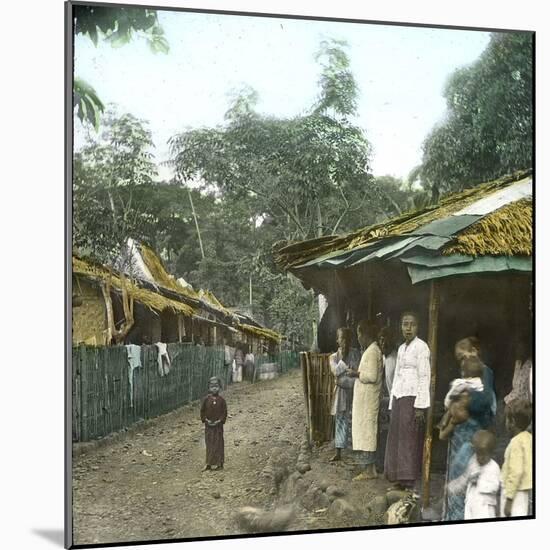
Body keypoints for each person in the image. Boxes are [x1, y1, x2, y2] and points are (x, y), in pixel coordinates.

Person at [444, 337, 496, 520]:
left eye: (463, 356)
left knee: (468, 476)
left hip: (474, 433)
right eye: (459, 359)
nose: (462, 361)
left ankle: (462, 518)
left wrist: (464, 402)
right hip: (460, 432)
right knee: (456, 473)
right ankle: (451, 516)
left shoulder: (485, 372)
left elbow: (485, 401)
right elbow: (452, 400)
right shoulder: (465, 375)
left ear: (474, 350)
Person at [384, 312, 431, 491]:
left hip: (412, 399)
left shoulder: (422, 348)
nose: (408, 328)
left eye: (412, 324)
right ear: (401, 327)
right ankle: (398, 477)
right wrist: (391, 402)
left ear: (417, 327)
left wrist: (420, 406)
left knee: (409, 438)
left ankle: (409, 479)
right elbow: (396, 376)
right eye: (405, 324)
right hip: (399, 396)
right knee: (397, 437)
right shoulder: (401, 348)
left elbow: (424, 377)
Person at [346, 320, 383, 480]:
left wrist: (356, 374)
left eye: (359, 334)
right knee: (366, 431)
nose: (358, 338)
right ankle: (369, 468)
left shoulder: (373, 351)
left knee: (368, 432)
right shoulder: (370, 350)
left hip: (369, 400)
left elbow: (372, 376)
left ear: (364, 334)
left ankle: (370, 470)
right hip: (365, 400)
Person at [447, 430, 501, 520]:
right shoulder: (473, 461)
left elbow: (494, 487)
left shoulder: (493, 467)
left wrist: (479, 481)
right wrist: (456, 486)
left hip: (485, 505)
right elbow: (466, 476)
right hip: (471, 502)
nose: (480, 458)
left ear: (491, 453)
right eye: (478, 454)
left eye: (484, 455)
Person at [328, 327, 361, 462]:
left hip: (355, 390)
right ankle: (339, 451)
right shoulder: (333, 357)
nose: (344, 341)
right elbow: (335, 372)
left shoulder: (355, 353)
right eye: (341, 338)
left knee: (355, 418)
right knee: (341, 419)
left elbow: (358, 371)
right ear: (337, 340)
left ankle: (358, 449)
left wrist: (349, 373)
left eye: (346, 338)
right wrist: (346, 367)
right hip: (341, 392)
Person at [438, 357, 485, 441]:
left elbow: (452, 393)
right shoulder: (479, 382)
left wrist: (447, 403)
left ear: (464, 372)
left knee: (452, 417)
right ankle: (445, 423)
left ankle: (443, 431)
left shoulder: (461, 383)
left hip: (460, 412)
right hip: (468, 413)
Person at [501, 400, 532, 517]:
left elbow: (516, 471)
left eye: (506, 420)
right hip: (524, 491)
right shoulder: (528, 438)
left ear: (512, 422)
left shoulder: (516, 443)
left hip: (514, 493)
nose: (505, 423)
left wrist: (509, 500)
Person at [200, 377, 228, 471]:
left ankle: (220, 463)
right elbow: (202, 411)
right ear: (209, 388)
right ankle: (208, 463)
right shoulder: (206, 400)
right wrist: (205, 420)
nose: (214, 388)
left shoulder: (222, 400)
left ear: (219, 387)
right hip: (209, 426)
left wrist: (220, 420)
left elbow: (224, 412)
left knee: (219, 444)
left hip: (218, 427)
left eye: (216, 386)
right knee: (210, 444)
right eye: (212, 386)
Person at [378, 326, 398, 396]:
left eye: (387, 341)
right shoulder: (382, 358)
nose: (383, 344)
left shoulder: (396, 360)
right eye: (382, 340)